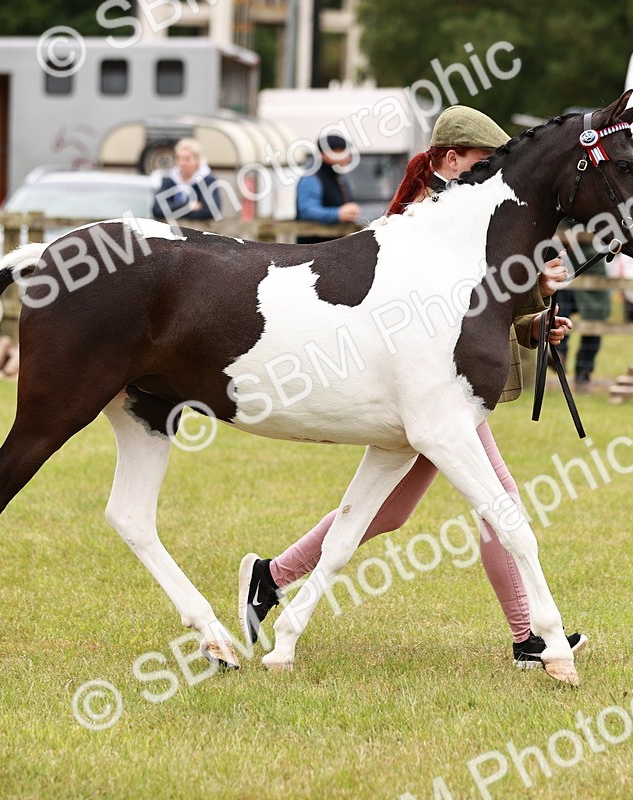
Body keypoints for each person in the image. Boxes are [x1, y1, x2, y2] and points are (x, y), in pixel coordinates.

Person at [239, 106, 587, 669]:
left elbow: (481, 314)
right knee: (501, 502)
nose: (492, 175)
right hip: (431, 390)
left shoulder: (466, 221)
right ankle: (529, 637)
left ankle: (271, 576)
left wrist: (535, 316)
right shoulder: (424, 224)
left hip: (444, 389)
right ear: (452, 160)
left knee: (395, 512)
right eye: (481, 163)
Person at [554, 223, 611, 387]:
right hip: (563, 261)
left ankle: (584, 372)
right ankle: (558, 357)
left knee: (595, 320)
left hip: (593, 262)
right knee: (559, 315)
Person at [295, 134, 361, 243]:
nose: (348, 157)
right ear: (326, 153)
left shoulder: (339, 177)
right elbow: (307, 211)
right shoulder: (311, 177)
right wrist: (338, 214)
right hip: (314, 249)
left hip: (335, 246)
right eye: (342, 152)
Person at [154, 138, 221, 221]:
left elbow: (211, 211)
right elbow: (157, 210)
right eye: (179, 159)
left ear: (197, 160)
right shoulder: (169, 180)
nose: (182, 163)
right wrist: (188, 206)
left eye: (187, 159)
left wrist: (173, 211)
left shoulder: (207, 181)